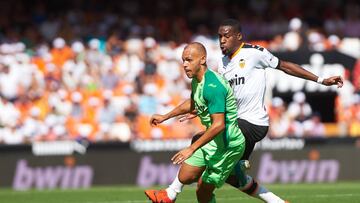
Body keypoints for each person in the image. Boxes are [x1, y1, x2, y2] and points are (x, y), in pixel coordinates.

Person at [145, 19, 344, 203]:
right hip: (235, 122)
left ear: (238, 36)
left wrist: (320, 80)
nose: (222, 40)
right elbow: (223, 96)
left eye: (227, 36)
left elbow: (285, 67)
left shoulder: (254, 53)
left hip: (253, 122)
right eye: (219, 36)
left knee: (200, 138)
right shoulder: (223, 64)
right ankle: (275, 200)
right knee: (232, 178)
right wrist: (198, 109)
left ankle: (170, 194)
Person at [148, 42, 246, 202]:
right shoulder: (197, 80)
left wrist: (191, 148)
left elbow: (219, 125)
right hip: (213, 140)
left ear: (202, 59)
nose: (185, 65)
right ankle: (169, 195)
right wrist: (165, 116)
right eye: (183, 61)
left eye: (189, 60)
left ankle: (235, 170)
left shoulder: (212, 85)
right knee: (185, 175)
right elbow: (193, 102)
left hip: (228, 145)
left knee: (202, 192)